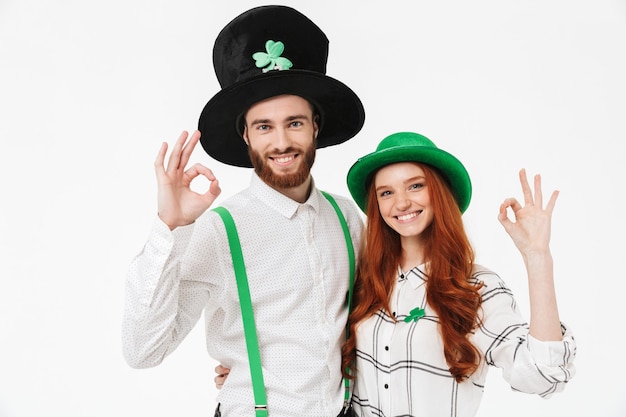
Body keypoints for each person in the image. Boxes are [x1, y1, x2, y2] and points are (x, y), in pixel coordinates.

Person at [122, 5, 365, 417]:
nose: (282, 142)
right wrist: (171, 227)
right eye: (264, 126)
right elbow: (142, 351)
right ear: (246, 137)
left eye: (295, 122)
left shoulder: (346, 219)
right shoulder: (220, 229)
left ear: (316, 127)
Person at [341, 132, 576, 417]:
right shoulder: (364, 281)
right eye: (386, 192)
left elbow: (541, 376)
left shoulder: (476, 287)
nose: (401, 203)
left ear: (440, 193)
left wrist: (537, 257)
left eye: (415, 186)